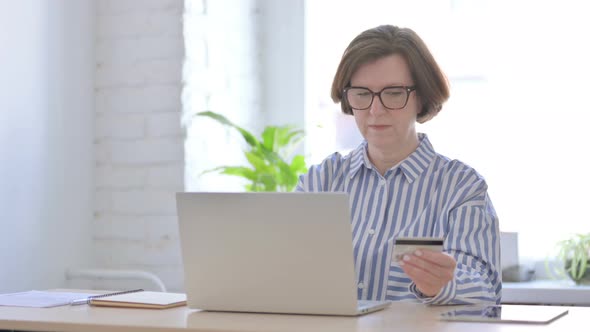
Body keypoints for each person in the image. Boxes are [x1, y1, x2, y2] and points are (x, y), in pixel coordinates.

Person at [296, 25, 501, 305]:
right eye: (362, 93)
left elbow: (485, 292)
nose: (375, 110)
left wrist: (442, 285)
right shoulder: (319, 182)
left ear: (421, 97)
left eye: (393, 93)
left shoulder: (462, 187)